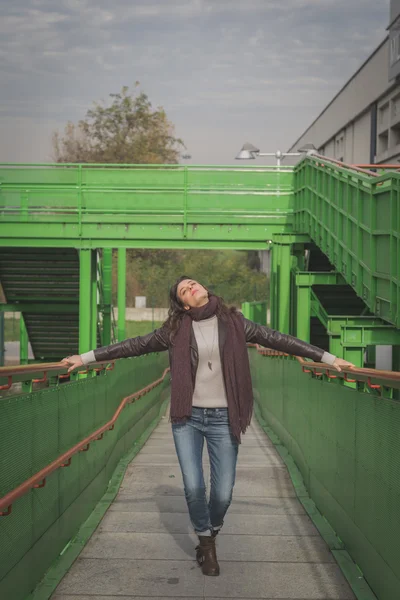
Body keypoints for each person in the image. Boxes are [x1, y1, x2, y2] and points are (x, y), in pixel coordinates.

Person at [62, 276, 354, 577]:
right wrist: (85, 358)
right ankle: (206, 544)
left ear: (204, 289)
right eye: (183, 290)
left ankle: (210, 532)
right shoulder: (175, 330)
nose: (191, 287)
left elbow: (278, 339)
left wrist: (329, 358)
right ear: (183, 304)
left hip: (223, 417)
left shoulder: (236, 322)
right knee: (193, 486)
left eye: (192, 283)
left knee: (223, 493)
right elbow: (134, 345)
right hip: (187, 417)